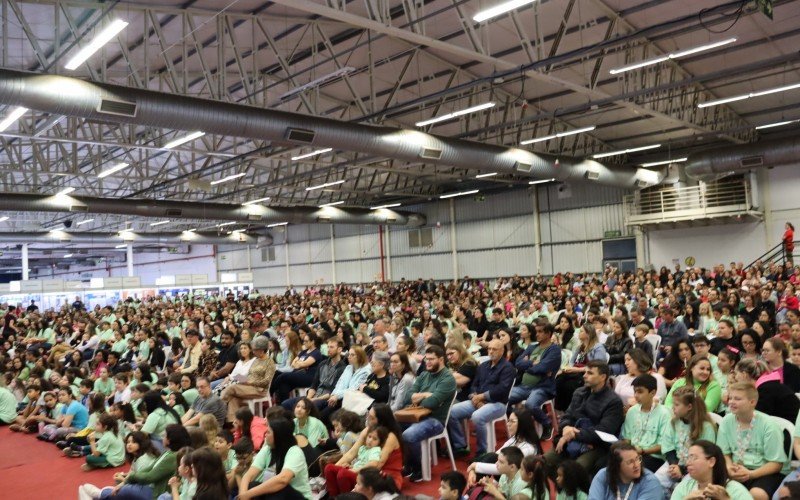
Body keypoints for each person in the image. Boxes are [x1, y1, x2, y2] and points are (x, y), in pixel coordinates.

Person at [544, 361, 623, 476]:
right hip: (571, 440)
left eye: (590, 373)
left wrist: (573, 434)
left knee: (573, 472)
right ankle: (561, 490)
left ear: (603, 377)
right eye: (585, 372)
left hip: (596, 446)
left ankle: (572, 489)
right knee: (543, 462)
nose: (584, 375)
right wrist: (566, 427)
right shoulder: (579, 392)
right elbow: (567, 416)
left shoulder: (613, 402)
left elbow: (604, 431)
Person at [716, 382, 789, 500]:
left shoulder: (769, 425)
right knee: (716, 489)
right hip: (736, 469)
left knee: (757, 494)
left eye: (737, 399)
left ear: (752, 402)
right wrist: (729, 467)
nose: (731, 402)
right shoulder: (726, 421)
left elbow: (776, 464)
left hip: (763, 471)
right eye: (730, 398)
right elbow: (724, 452)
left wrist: (750, 474)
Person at [448, 338, 516, 457]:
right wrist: (474, 396)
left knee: (477, 416)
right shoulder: (483, 366)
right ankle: (460, 446)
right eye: (489, 348)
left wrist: (482, 396)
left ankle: (482, 452)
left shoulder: (508, 367)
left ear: (501, 351)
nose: (490, 351)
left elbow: (502, 390)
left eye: (494, 349)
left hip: (498, 403)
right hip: (477, 401)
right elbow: (474, 384)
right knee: (451, 411)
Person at [401, 344, 457, 482]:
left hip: (436, 420)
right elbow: (407, 397)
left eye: (432, 359)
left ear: (441, 359)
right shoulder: (424, 374)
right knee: (392, 426)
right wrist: (426, 394)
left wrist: (418, 397)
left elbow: (431, 404)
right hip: (416, 415)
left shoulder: (448, 379)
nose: (428, 362)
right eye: (426, 359)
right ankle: (408, 462)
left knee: (408, 434)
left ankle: (419, 467)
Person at [325, 404, 404, 496]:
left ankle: (348, 498)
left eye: (371, 417)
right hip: (364, 470)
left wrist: (354, 470)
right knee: (329, 468)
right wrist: (337, 467)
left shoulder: (390, 437)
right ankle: (334, 497)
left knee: (343, 474)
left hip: (383, 475)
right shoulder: (367, 431)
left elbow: (377, 465)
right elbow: (351, 453)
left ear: (381, 420)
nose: (367, 419)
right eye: (368, 415)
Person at [103, 424, 191, 499]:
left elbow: (149, 477)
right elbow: (150, 468)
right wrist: (127, 479)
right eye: (128, 442)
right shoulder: (169, 452)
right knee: (120, 487)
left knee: (115, 491)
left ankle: (100, 493)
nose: (162, 437)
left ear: (169, 440)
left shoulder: (172, 457)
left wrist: (129, 478)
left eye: (164, 436)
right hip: (151, 486)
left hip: (156, 492)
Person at [655, 385, 717, 492]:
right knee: (655, 483)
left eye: (677, 405)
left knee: (684, 490)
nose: (672, 407)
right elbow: (668, 446)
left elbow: (704, 456)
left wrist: (683, 470)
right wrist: (674, 465)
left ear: (689, 407)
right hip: (674, 462)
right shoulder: (674, 422)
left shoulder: (706, 427)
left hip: (696, 467)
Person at [237, 415, 313, 499]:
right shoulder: (267, 450)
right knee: (252, 485)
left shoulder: (294, 451)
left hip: (298, 497)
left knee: (279, 490)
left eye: (268, 432)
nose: (265, 434)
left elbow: (283, 479)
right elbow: (248, 476)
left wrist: (249, 494)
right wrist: (243, 495)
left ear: (278, 435)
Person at [509, 321, 562, 438]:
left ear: (548, 334)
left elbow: (543, 367)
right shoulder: (532, 346)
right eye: (536, 331)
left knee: (530, 404)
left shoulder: (554, 350)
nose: (536, 334)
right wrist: (533, 363)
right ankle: (519, 425)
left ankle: (547, 424)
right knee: (505, 398)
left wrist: (528, 365)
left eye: (540, 332)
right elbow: (518, 363)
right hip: (524, 386)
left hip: (542, 387)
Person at [281, 337, 346, 412]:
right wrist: (308, 399)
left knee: (308, 408)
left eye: (331, 347)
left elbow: (332, 392)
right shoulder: (322, 364)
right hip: (314, 396)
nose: (328, 349)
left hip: (326, 399)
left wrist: (313, 400)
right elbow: (314, 385)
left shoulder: (342, 368)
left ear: (339, 349)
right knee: (285, 404)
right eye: (328, 347)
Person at [621, 374, 670, 473]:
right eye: (635, 391)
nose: (636, 395)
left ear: (652, 393)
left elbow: (664, 445)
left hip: (654, 457)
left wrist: (643, 451)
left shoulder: (664, 414)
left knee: (631, 470)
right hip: (633, 453)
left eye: (640, 392)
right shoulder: (632, 411)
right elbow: (627, 438)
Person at [221, 336, 277, 423]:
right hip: (248, 386)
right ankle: (234, 423)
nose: (253, 352)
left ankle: (218, 406)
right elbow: (250, 376)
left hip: (260, 390)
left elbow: (267, 381)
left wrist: (250, 382)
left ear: (262, 350)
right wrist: (241, 379)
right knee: (233, 399)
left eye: (255, 350)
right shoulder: (256, 360)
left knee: (232, 388)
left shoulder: (270, 362)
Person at [670, 440, 752, 500]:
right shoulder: (683, 488)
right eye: (688, 458)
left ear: (711, 461)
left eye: (693, 458)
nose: (688, 463)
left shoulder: (735, 490)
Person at [554, 323, 607, 411]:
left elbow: (598, 366)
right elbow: (572, 361)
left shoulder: (598, 347)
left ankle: (570, 410)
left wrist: (576, 369)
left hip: (586, 373)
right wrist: (567, 369)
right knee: (558, 380)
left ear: (588, 334)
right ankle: (560, 410)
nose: (578, 333)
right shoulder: (580, 347)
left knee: (569, 386)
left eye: (581, 331)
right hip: (574, 372)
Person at [588, 442, 664, 499]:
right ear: (616, 465)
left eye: (637, 459)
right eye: (630, 462)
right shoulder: (603, 475)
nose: (636, 465)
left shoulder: (650, 482)